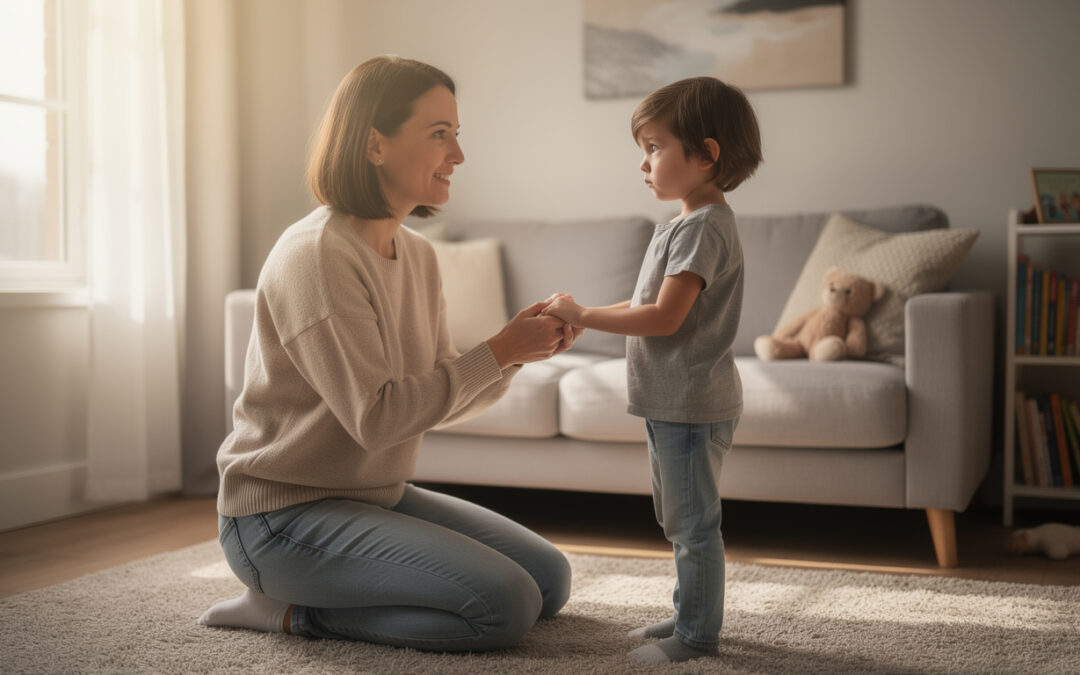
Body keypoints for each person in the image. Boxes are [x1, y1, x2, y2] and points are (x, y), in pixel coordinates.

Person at [197, 55, 581, 652]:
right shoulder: (317, 255)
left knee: (549, 581)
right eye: (439, 134)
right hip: (279, 518)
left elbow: (435, 397)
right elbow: (377, 419)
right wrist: (500, 348)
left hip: (375, 496)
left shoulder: (419, 256)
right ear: (375, 145)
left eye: (456, 134)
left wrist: (514, 356)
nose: (459, 155)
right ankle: (292, 611)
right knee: (504, 607)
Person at [542, 76, 762, 664]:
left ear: (706, 154)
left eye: (655, 147)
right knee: (679, 520)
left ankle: (696, 636)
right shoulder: (686, 224)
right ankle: (689, 613)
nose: (643, 164)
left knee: (693, 526)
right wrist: (587, 317)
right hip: (673, 401)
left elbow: (664, 319)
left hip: (689, 403)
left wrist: (584, 314)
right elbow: (647, 304)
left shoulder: (703, 227)